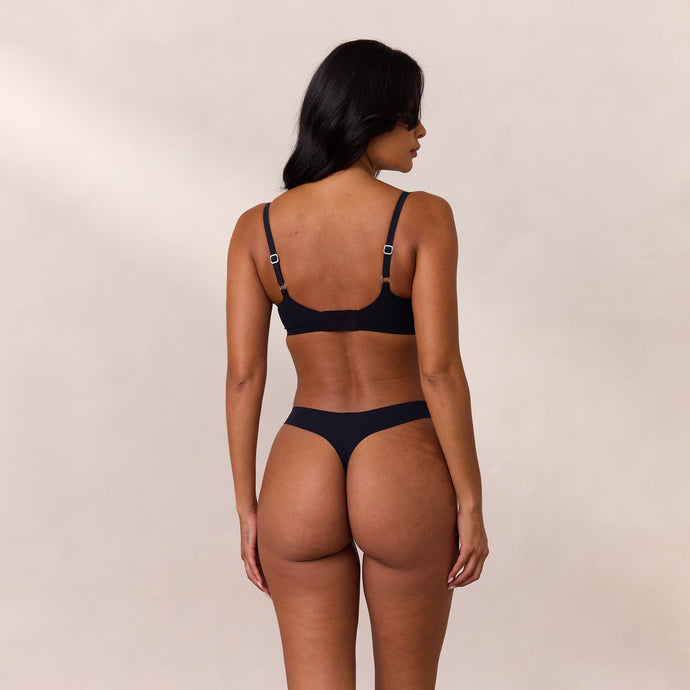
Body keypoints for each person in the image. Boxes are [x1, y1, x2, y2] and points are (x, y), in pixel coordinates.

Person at [225, 38, 488, 690]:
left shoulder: (256, 229)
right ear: (369, 120)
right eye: (409, 116)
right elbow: (439, 371)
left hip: (300, 463)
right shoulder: (423, 217)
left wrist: (248, 508)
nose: (420, 132)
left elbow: (244, 377)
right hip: (400, 456)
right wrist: (470, 501)